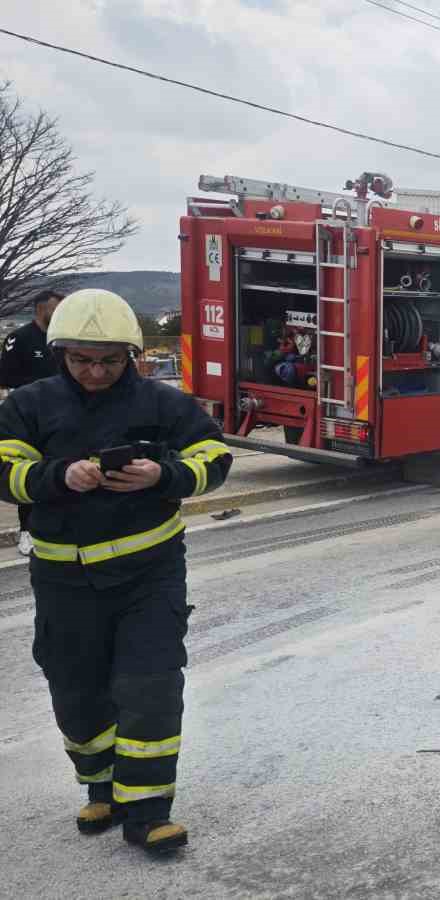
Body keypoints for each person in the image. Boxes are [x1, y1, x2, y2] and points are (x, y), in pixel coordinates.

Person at [0, 289, 231, 855]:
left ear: (131, 354)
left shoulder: (163, 403)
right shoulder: (29, 404)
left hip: (148, 577)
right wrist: (56, 477)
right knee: (76, 693)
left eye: (109, 360)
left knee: (149, 687)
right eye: (82, 359)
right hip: (63, 582)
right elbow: (3, 469)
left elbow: (214, 456)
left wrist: (165, 475)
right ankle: (101, 787)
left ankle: (148, 813)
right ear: (61, 353)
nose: (96, 372)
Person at [0, 288, 65, 557]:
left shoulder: (62, 339)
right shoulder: (20, 338)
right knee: (29, 471)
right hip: (29, 417)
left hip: (62, 414)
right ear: (41, 309)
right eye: (55, 308)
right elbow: (5, 376)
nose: (59, 312)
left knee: (61, 469)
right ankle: (26, 531)